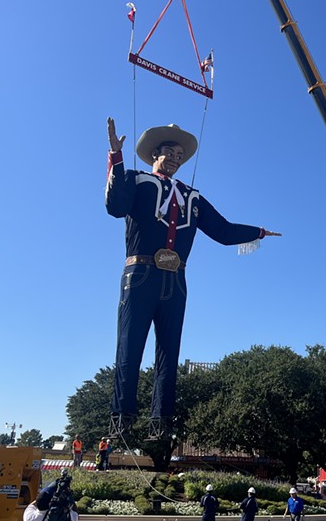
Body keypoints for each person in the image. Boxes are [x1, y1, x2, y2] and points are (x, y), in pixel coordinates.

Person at [105, 119, 280, 435]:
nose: (175, 158)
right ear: (154, 153)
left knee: (169, 353)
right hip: (141, 272)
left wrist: (258, 232)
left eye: (180, 155)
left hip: (176, 280)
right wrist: (115, 158)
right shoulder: (137, 179)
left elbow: (223, 231)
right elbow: (115, 207)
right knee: (130, 347)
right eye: (170, 152)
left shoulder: (193, 197)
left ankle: (161, 422)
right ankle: (122, 419)